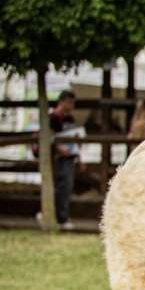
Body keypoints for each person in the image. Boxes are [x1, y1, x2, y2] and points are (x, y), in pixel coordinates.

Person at [38, 90, 84, 230]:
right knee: (62, 185)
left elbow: (75, 138)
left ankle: (61, 215)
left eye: (73, 102)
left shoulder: (70, 118)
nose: (71, 105)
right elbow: (48, 136)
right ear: (61, 101)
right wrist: (58, 148)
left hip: (70, 156)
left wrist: (80, 157)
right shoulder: (54, 117)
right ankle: (59, 216)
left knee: (67, 186)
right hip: (58, 158)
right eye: (69, 102)